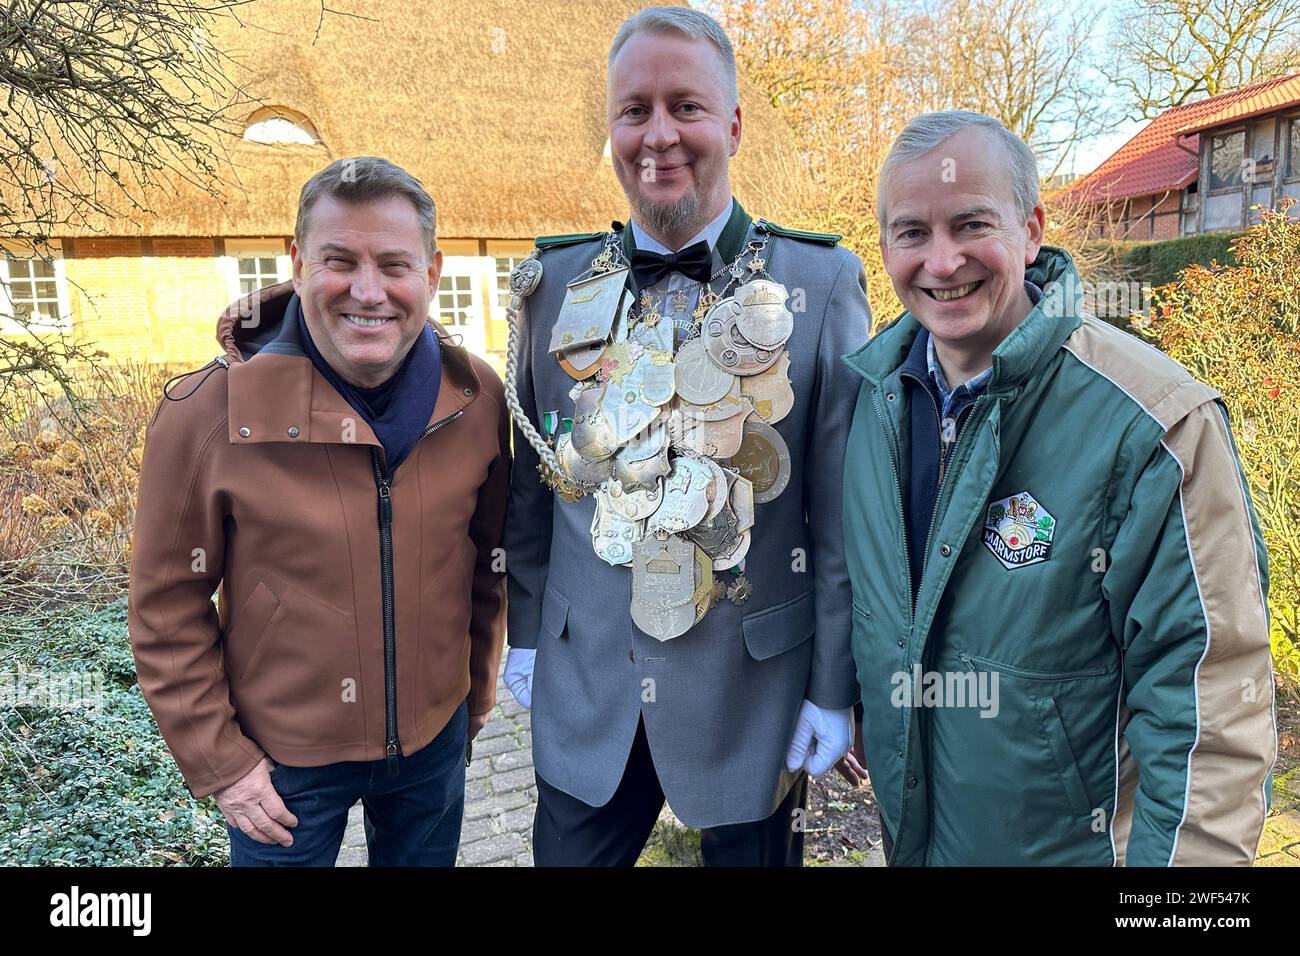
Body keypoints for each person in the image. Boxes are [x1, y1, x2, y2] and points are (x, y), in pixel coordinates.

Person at [841, 110, 1276, 865]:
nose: (942, 263)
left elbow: (1209, 720)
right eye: (912, 233)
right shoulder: (870, 403)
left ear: (1032, 228)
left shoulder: (1155, 426)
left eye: (971, 224)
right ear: (885, 248)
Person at [502, 6, 870, 867]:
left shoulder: (819, 282)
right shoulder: (550, 285)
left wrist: (833, 688)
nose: (658, 135)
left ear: (734, 125)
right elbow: (529, 484)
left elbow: (842, 518)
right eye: (634, 111)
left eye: (686, 107)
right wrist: (524, 631)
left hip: (754, 693)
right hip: (586, 683)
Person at [128, 156, 510, 866]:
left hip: (433, 747)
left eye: (395, 265)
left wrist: (475, 689)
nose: (368, 292)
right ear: (298, 261)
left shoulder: (475, 398)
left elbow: (487, 564)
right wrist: (223, 764)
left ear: (431, 273)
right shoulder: (208, 415)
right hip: (281, 768)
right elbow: (164, 606)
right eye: (340, 261)